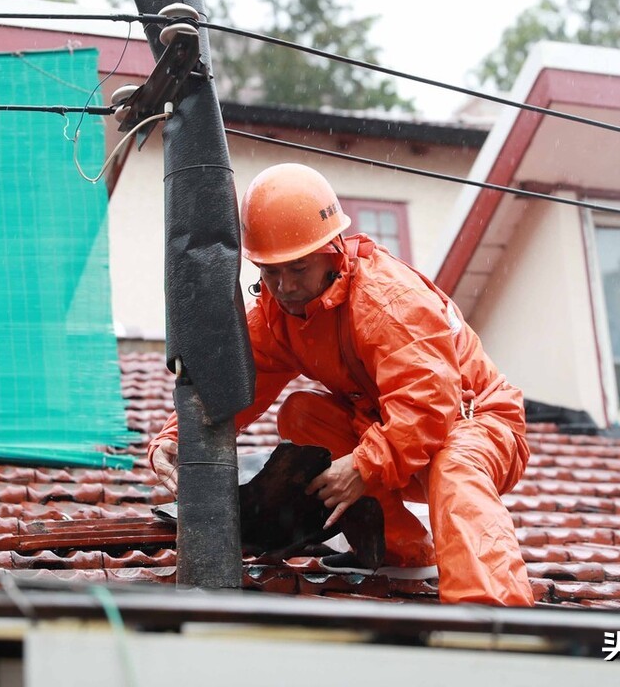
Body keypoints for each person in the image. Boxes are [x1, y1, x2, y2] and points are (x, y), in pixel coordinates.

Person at [148, 162, 534, 606]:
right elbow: (234, 385)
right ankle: (403, 553)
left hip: (475, 422)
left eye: (298, 268)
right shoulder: (279, 314)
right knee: (303, 415)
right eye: (271, 273)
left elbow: (428, 408)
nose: (285, 286)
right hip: (393, 427)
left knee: (455, 465)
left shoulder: (389, 301)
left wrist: (363, 466)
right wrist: (180, 439)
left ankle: (493, 616)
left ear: (333, 251)